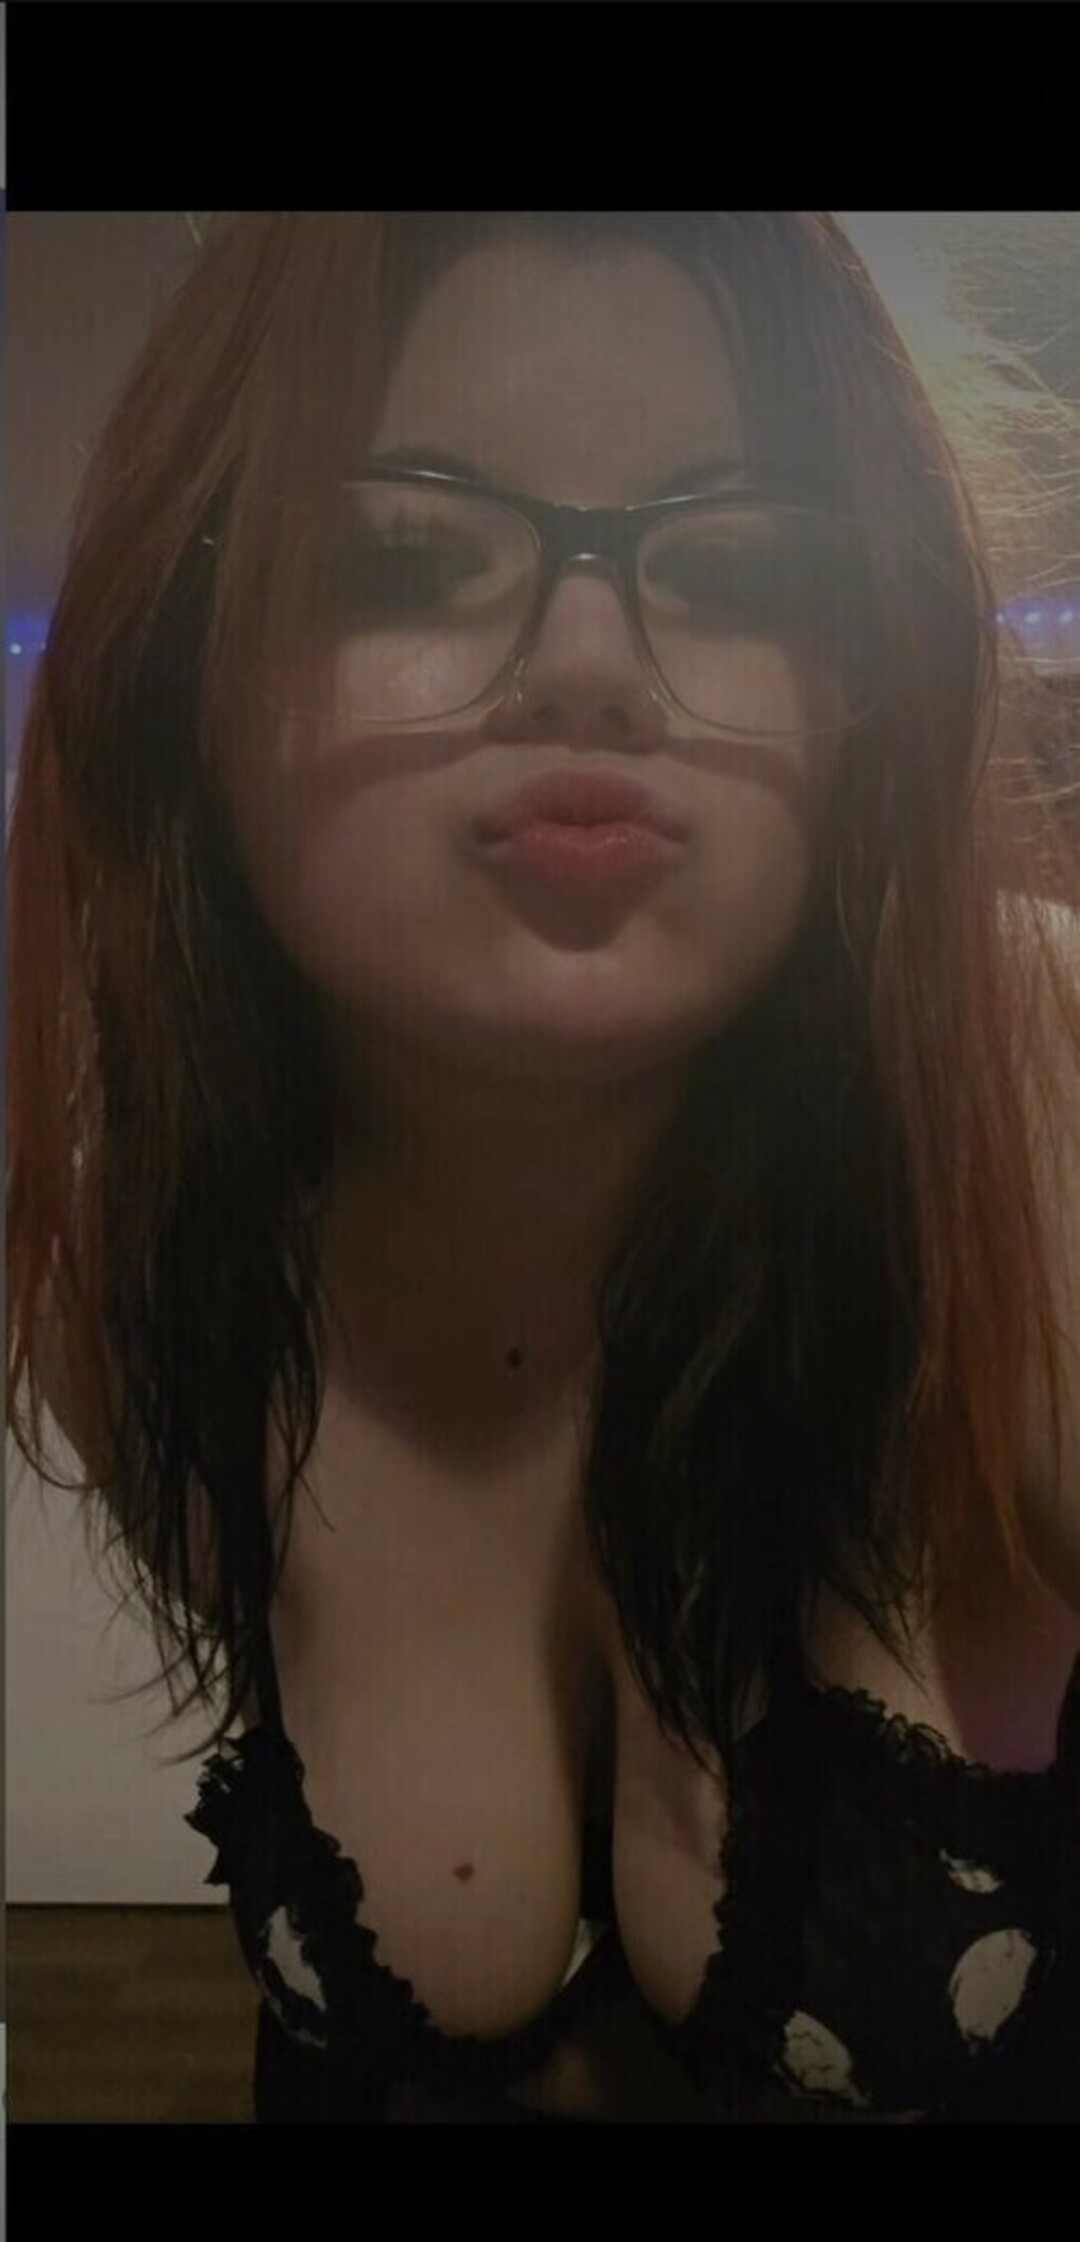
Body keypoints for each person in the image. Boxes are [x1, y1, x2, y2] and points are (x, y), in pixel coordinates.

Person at [7, 211, 1080, 2125]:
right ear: (187, 662)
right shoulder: (150, 1243)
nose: (594, 664)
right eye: (406, 554)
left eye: (737, 566)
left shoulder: (1032, 1097)